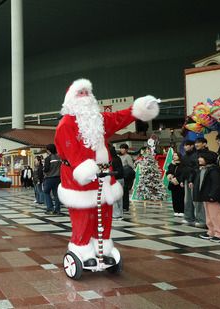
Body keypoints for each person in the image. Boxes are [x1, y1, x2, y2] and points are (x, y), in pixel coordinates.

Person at [55, 78, 159, 267]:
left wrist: (139, 108)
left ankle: (102, 247)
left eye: (87, 93)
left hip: (104, 177)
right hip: (80, 180)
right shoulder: (66, 124)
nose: (85, 97)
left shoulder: (98, 119)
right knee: (83, 215)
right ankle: (82, 248)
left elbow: (119, 118)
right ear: (71, 99)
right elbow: (70, 150)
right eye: (81, 93)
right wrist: (84, 169)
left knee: (105, 213)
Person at [193, 151, 220, 242]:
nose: (199, 159)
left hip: (213, 197)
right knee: (209, 216)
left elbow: (217, 184)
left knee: (216, 215)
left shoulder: (214, 170)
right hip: (206, 196)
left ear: (208, 159)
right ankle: (211, 231)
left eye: (201, 157)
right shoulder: (204, 169)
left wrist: (212, 195)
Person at [189, 137, 212, 227]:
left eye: (199, 142)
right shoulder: (194, 155)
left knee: (205, 200)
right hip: (196, 178)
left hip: (207, 178)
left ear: (205, 144)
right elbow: (192, 169)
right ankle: (199, 219)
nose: (196, 144)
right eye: (196, 142)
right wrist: (191, 180)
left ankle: (206, 221)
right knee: (196, 200)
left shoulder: (211, 154)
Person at [179, 140, 197, 225]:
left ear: (192, 146)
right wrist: (182, 180)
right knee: (187, 199)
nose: (185, 147)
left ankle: (197, 218)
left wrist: (191, 179)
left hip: (194, 179)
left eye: (187, 145)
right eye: (185, 146)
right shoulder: (184, 156)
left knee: (195, 200)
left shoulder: (195, 155)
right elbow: (182, 169)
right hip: (186, 179)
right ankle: (188, 217)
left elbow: (194, 169)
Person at [43, 144, 62, 215]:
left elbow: (46, 169)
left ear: (48, 150)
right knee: (56, 194)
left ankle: (50, 208)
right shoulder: (59, 158)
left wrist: (44, 171)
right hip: (58, 178)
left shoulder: (48, 158)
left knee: (46, 192)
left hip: (49, 178)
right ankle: (57, 210)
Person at [166, 151, 184, 217]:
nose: (174, 156)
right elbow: (168, 172)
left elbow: (183, 173)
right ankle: (176, 210)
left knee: (181, 197)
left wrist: (178, 179)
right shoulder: (172, 164)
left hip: (180, 183)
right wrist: (169, 176)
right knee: (174, 197)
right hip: (173, 183)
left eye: (176, 155)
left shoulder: (182, 164)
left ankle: (181, 210)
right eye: (173, 155)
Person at [118, 144, 135, 212]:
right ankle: (121, 206)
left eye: (123, 148)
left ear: (126, 149)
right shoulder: (119, 156)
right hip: (121, 175)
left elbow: (132, 166)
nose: (122, 150)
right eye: (121, 148)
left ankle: (125, 206)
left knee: (125, 192)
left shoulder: (128, 156)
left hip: (126, 176)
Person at [110, 147, 125, 220]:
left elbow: (114, 171)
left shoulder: (112, 160)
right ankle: (120, 214)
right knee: (119, 198)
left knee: (114, 198)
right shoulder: (118, 158)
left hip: (115, 180)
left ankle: (116, 215)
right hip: (121, 179)